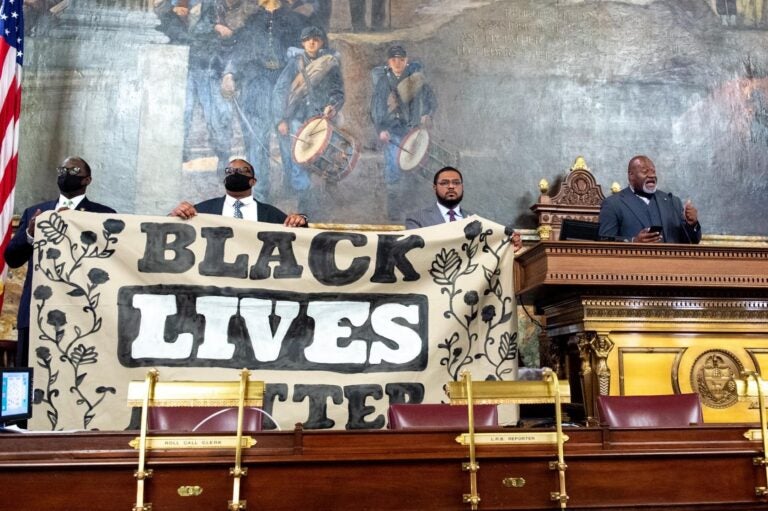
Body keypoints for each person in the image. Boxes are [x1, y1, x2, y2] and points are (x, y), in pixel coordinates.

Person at [4, 156, 117, 367]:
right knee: (32, 377)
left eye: (73, 171)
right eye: (62, 170)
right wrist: (30, 234)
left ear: (87, 180)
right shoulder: (35, 212)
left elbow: (111, 260)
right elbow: (12, 258)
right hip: (37, 309)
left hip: (82, 312)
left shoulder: (103, 215)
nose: (65, 175)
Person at [220, 0, 305, 201]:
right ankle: (260, 193)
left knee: (288, 137)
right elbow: (239, 51)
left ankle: (294, 185)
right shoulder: (251, 20)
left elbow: (306, 55)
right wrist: (229, 74)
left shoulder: (295, 20)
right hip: (256, 84)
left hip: (284, 85)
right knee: (257, 138)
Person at [272, 25, 344, 214]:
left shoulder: (329, 64)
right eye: (308, 39)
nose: (312, 42)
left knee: (329, 155)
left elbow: (338, 92)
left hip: (321, 118)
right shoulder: (294, 64)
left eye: (316, 39)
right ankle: (305, 201)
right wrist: (281, 119)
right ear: (303, 43)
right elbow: (280, 91)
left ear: (321, 42)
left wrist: (332, 106)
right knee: (299, 159)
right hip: (297, 118)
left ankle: (328, 190)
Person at [371, 44, 437, 220]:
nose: (398, 63)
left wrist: (426, 114)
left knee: (414, 166)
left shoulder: (416, 79)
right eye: (394, 60)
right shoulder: (384, 82)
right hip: (392, 132)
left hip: (413, 130)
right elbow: (377, 108)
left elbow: (431, 100)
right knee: (393, 168)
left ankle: (412, 207)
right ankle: (393, 211)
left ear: (406, 61)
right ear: (389, 62)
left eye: (401, 59)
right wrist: (381, 130)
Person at [404, 166, 523, 250]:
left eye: (456, 183)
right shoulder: (417, 219)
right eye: (444, 183)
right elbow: (415, 253)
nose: (451, 187)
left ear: (462, 187)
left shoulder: (476, 222)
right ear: (434, 187)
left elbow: (487, 250)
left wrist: (509, 244)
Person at [170, 158, 308, 227]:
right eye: (230, 171)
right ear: (225, 180)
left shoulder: (270, 214)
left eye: (243, 171)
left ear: (253, 181)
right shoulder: (202, 210)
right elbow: (167, 227)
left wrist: (301, 221)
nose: (235, 173)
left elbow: (297, 231)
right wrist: (175, 214)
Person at [598, 155, 701, 244]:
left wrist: (692, 224)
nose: (652, 175)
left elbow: (691, 241)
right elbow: (604, 241)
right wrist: (633, 241)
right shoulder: (613, 204)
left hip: (671, 265)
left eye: (653, 171)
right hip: (635, 264)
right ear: (631, 175)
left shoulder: (672, 202)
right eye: (645, 171)